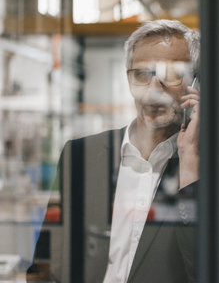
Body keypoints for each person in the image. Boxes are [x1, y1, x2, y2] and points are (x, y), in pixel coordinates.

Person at [28, 20, 200, 283]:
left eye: (171, 74)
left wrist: (190, 162)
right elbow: (45, 264)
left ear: (193, 81)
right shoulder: (80, 155)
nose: (154, 90)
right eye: (141, 75)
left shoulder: (209, 168)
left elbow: (205, 269)